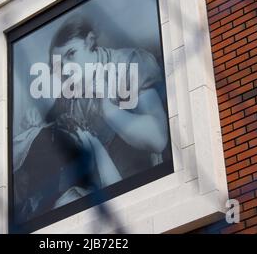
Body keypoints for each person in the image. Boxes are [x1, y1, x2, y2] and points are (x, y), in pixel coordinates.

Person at [13, 14, 170, 224]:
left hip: (144, 196)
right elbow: (54, 129)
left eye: (71, 54)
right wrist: (36, 123)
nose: (66, 68)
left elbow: (157, 139)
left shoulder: (127, 64)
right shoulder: (70, 95)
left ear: (90, 42)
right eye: (59, 65)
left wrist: (108, 109)